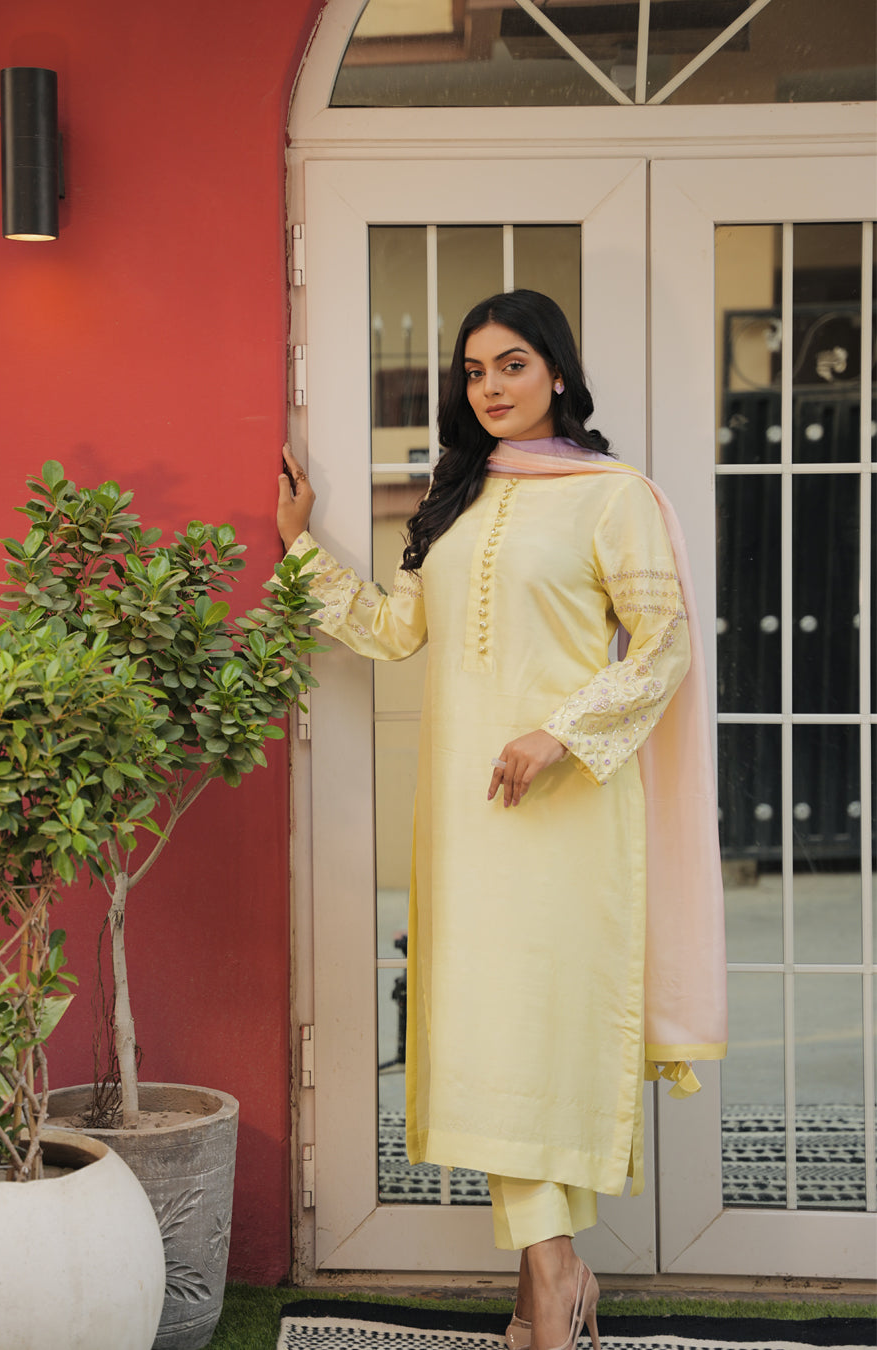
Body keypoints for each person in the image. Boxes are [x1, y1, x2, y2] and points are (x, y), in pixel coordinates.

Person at [277, 290, 726, 1350]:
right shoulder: (458, 498)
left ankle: (553, 1285)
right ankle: (552, 1286)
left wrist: (558, 734)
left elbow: (663, 643)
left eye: (513, 365)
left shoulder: (614, 497)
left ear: (559, 373)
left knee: (548, 1037)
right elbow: (394, 632)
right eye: (475, 371)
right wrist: (301, 549)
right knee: (491, 1034)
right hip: (469, 820)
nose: (492, 387)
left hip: (567, 809)